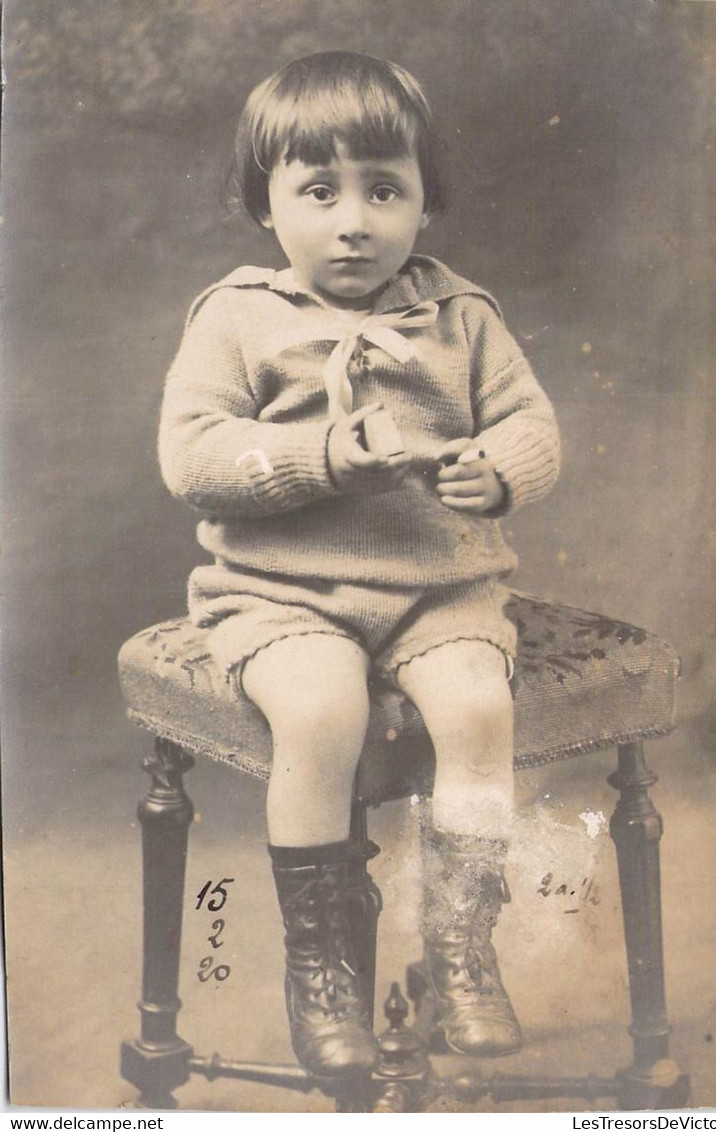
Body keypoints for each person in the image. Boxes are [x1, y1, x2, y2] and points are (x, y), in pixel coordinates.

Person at [158, 51, 560, 1077]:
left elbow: (531, 422)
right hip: (281, 593)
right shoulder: (238, 316)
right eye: (320, 191)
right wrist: (320, 456)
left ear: (426, 205)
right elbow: (192, 457)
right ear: (266, 206)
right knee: (322, 713)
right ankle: (324, 967)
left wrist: (500, 471)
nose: (355, 221)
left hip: (438, 588)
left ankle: (461, 947)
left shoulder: (460, 317)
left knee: (476, 711)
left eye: (386, 190)